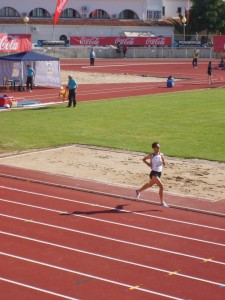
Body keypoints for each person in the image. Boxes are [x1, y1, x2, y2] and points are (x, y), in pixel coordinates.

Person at [136, 142, 169, 207]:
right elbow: (144, 159)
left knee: (149, 185)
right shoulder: (152, 156)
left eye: (159, 147)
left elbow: (164, 163)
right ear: (154, 148)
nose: (159, 148)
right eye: (157, 147)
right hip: (154, 173)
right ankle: (162, 203)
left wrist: (163, 161)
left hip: (159, 173)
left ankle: (138, 191)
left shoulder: (161, 154)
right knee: (161, 186)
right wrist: (148, 164)